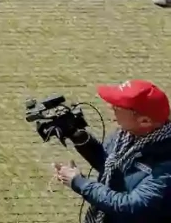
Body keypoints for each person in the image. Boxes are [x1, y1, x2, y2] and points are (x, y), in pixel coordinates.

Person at [53, 79, 171, 221]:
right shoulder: (125, 135)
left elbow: (130, 206)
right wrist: (77, 135)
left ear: (144, 121)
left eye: (118, 107)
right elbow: (109, 164)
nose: (110, 107)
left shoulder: (166, 164)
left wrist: (79, 182)